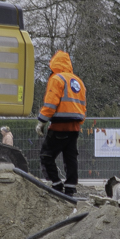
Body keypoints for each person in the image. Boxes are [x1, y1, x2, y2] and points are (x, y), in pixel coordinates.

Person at [37, 51, 86, 196]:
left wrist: (42, 121)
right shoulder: (78, 81)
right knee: (70, 158)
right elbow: (83, 106)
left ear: (54, 64)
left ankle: (56, 185)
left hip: (59, 125)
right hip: (75, 126)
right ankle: (70, 188)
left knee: (46, 155)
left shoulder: (56, 79)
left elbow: (51, 103)